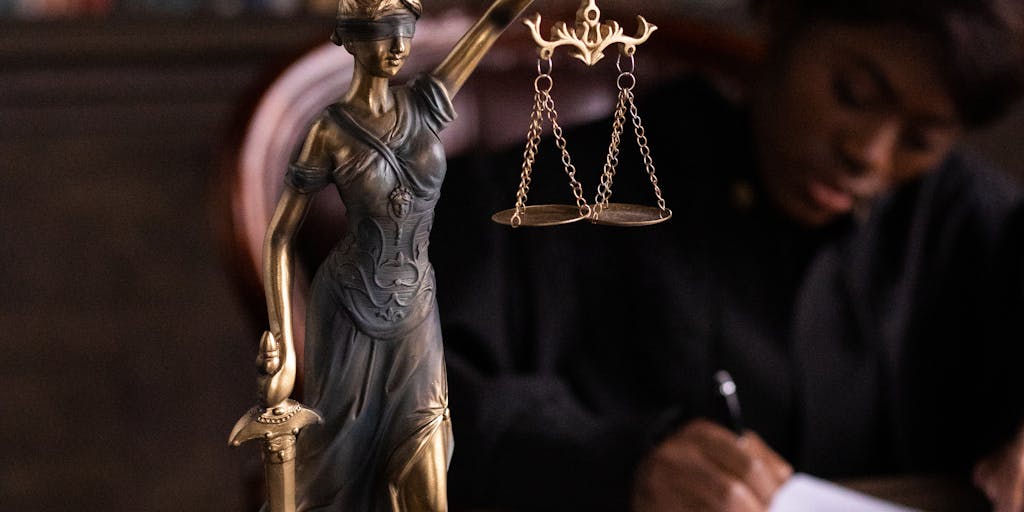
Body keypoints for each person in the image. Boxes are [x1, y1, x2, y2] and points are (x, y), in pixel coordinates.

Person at [429, 0, 1024, 510]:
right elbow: (417, 404)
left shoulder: (959, 216)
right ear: (784, 19)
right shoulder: (553, 192)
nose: (868, 154)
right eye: (853, 92)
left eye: (920, 141)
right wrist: (621, 461)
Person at [254, 0, 534, 510]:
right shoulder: (331, 131)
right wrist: (285, 343)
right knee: (341, 474)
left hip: (416, 312)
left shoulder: (426, 102)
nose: (399, 47)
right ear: (354, 40)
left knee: (429, 483)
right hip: (349, 313)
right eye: (386, 34)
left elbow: (493, 22)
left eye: (406, 33)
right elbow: (279, 236)